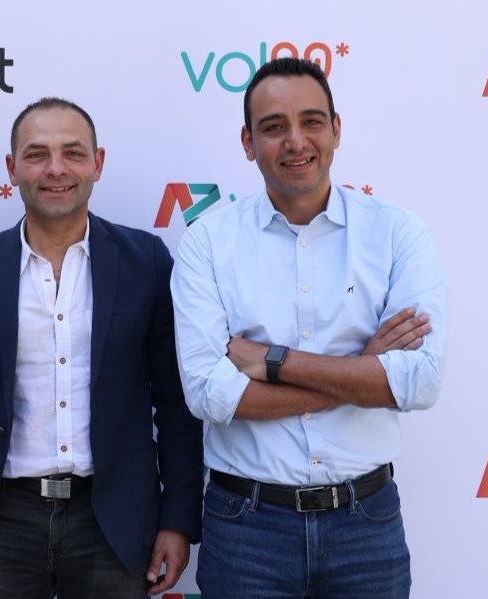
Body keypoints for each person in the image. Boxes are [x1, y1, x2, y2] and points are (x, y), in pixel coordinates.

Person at [171, 57, 448, 598]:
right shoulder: (208, 242)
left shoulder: (397, 234)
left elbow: (419, 382)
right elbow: (209, 393)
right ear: (248, 142)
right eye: (274, 127)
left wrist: (273, 361)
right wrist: (362, 371)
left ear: (336, 130)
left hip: (366, 525)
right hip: (246, 526)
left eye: (312, 121)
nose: (295, 141)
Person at [0, 97, 203, 599]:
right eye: (37, 154)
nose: (56, 169)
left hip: (113, 519)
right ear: (12, 168)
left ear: (98, 163)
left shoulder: (146, 262)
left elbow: (176, 404)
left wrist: (177, 518)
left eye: (73, 152)